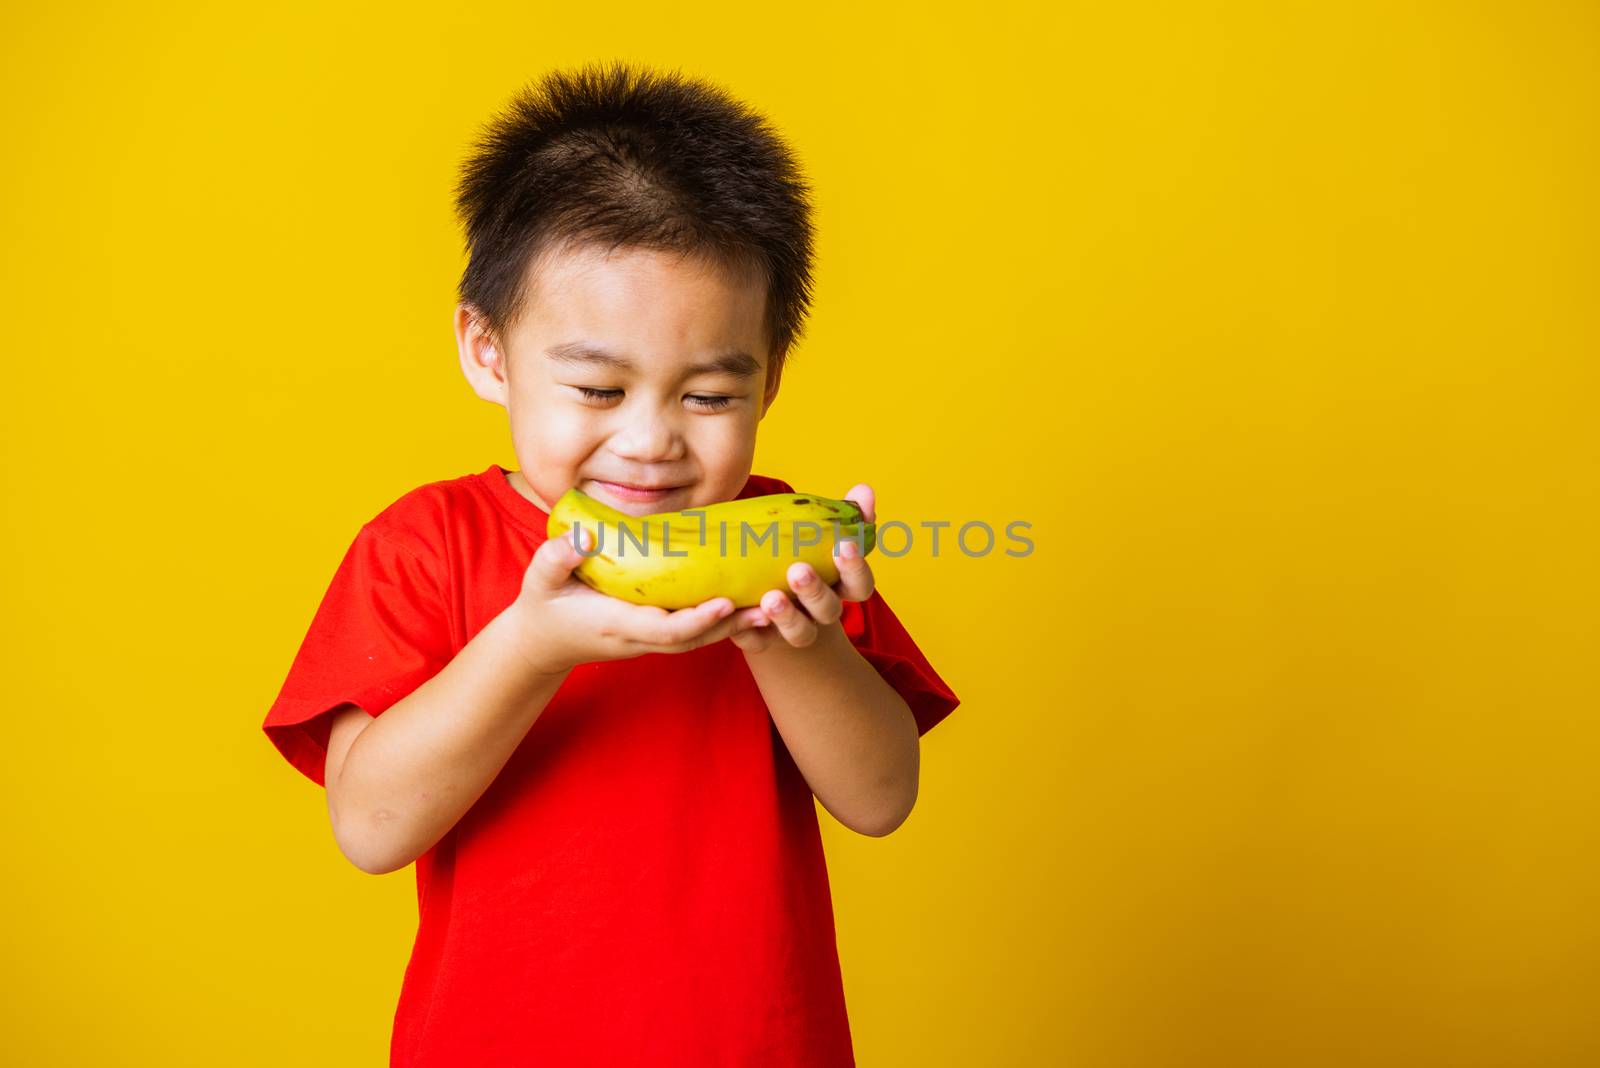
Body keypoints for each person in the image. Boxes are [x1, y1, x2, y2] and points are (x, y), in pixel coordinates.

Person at [261, 59, 960, 1067]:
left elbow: (882, 799)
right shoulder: (425, 546)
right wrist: (529, 646)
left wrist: (794, 646)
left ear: (769, 377)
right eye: (597, 388)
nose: (652, 441)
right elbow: (370, 829)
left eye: (710, 396)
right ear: (487, 351)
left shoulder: (772, 547)